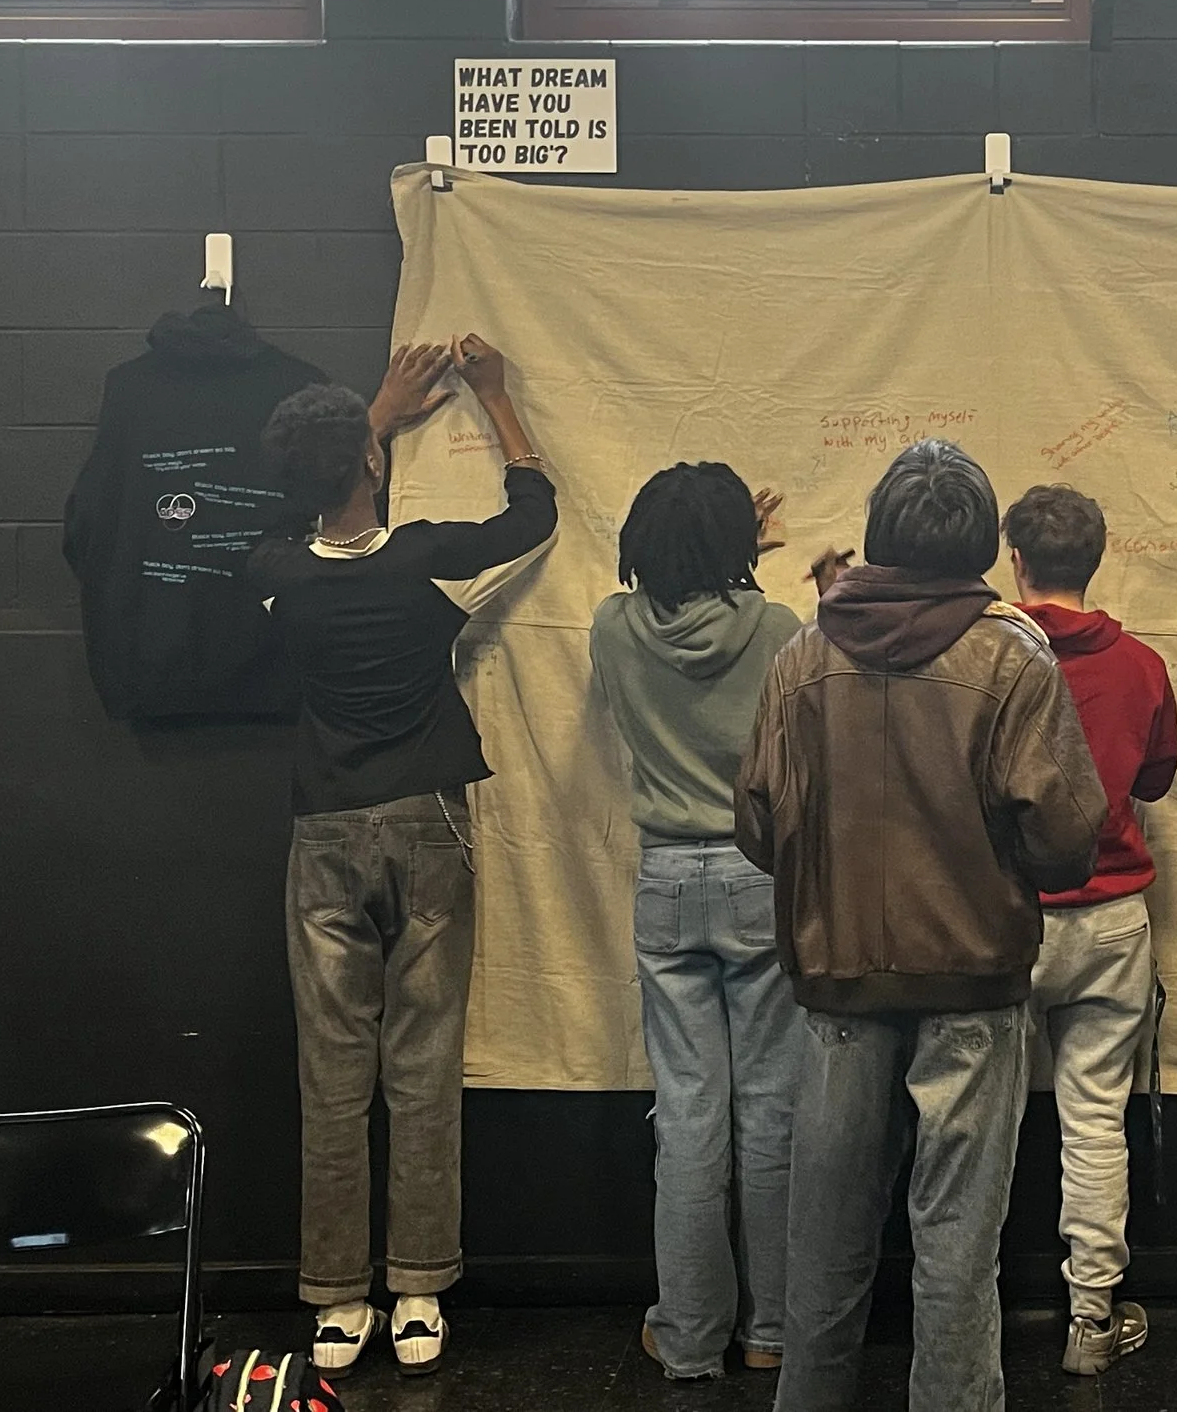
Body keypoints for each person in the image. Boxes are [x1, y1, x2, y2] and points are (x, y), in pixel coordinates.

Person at [737, 439, 1107, 1412]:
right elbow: (1069, 839)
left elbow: (757, 827)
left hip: (837, 982)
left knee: (824, 1248)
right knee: (955, 1249)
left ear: (877, 534)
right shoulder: (1013, 654)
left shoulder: (805, 653)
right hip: (973, 985)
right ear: (984, 543)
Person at [249, 336, 556, 1377]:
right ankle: (419, 1292)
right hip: (428, 820)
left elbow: (289, 514)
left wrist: (369, 416)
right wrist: (500, 401)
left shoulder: (275, 573)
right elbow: (532, 518)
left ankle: (337, 1306)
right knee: (423, 1067)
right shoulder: (425, 559)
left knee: (332, 1074)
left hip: (323, 829)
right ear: (372, 466)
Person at [592, 464, 804, 1381]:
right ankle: (772, 1333)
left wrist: (713, 548)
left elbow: (663, 594)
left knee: (686, 1114)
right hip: (761, 874)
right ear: (739, 548)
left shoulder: (610, 627)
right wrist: (739, 558)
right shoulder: (779, 629)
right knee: (770, 1111)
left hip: (667, 877)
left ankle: (686, 1337)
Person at [1002, 483, 1177, 1377]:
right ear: (1096, 560)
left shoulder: (985, 660)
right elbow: (1152, 784)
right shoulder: (1144, 666)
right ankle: (1093, 1319)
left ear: (1015, 560)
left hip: (1007, 917)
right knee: (1095, 1121)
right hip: (1112, 916)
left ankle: (963, 1310)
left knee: (979, 1120)